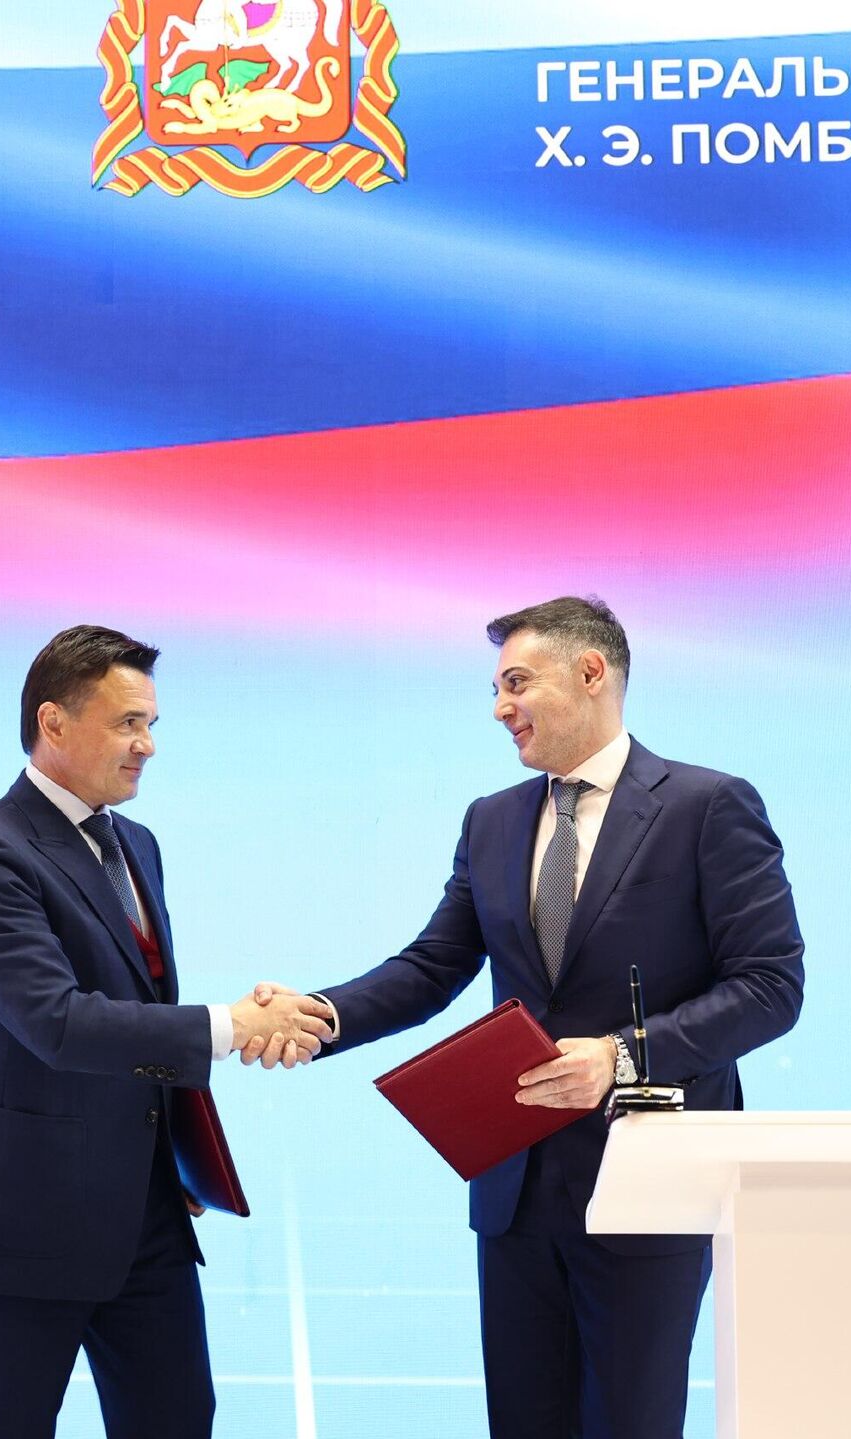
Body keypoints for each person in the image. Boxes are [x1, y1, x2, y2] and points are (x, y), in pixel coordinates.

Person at [269, 596, 804, 1438]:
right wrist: (320, 1013)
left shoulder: (708, 806)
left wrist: (621, 1056)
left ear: (591, 672)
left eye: (516, 683)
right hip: (515, 1192)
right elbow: (433, 966)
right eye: (495, 688)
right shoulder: (492, 820)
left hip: (646, 1183)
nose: (500, 707)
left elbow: (771, 985)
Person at [0, 623, 333, 1439]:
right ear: (53, 722)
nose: (148, 744)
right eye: (127, 723)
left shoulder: (135, 844)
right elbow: (58, 1021)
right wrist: (232, 1025)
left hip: (146, 1219)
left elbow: (139, 1007)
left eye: (150, 723)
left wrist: (176, 1155)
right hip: (22, 1225)